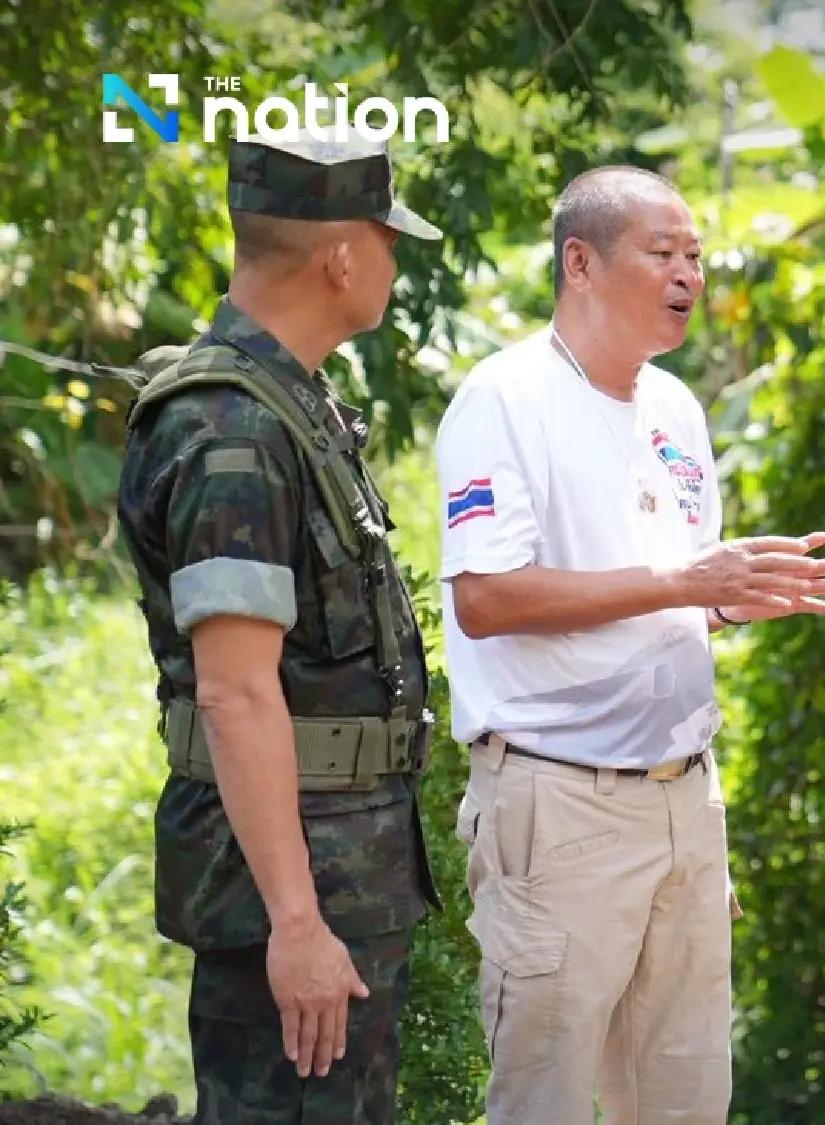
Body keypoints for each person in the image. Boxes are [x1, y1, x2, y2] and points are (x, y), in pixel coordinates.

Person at [434, 164, 825, 1125]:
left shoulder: (675, 409)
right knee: (544, 1102)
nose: (689, 275)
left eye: (696, 256)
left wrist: (734, 599)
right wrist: (684, 584)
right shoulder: (506, 397)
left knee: (684, 1100)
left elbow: (664, 592)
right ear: (579, 262)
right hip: (559, 801)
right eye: (662, 252)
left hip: (684, 798)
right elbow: (487, 598)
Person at [115, 134, 445, 1123]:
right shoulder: (235, 431)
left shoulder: (289, 409)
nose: (395, 262)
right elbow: (234, 689)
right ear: (343, 255)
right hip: (291, 890)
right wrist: (297, 925)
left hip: (342, 870)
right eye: (389, 240)